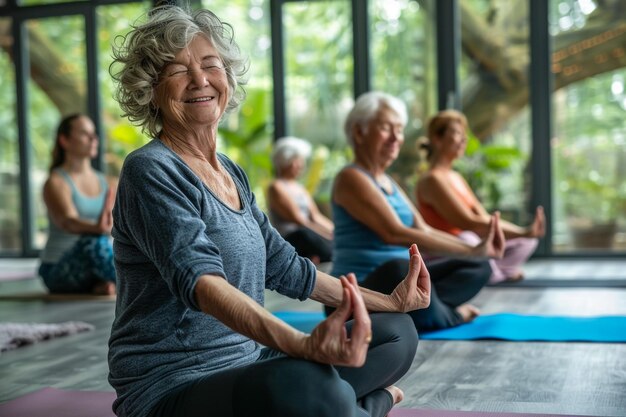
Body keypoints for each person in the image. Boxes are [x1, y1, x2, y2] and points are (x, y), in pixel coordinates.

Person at [107, 6, 430, 417]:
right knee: (307, 383)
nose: (201, 80)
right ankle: (370, 404)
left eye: (211, 65)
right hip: (174, 383)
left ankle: (344, 405)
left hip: (250, 365)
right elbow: (202, 283)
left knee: (395, 333)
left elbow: (289, 269)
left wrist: (391, 302)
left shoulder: (231, 172)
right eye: (178, 70)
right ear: (150, 89)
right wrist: (300, 345)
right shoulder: (150, 169)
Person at [329, 91, 506, 332]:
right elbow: (395, 233)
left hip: (401, 285)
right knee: (399, 269)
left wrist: (475, 253)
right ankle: (447, 316)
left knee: (478, 266)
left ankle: (422, 309)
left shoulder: (388, 181)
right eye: (386, 128)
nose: (396, 138)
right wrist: (472, 249)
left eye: (399, 129)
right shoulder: (351, 177)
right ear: (359, 133)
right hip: (358, 292)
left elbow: (423, 229)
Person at [415, 109, 545, 284]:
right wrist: (522, 230)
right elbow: (467, 222)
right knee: (470, 238)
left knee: (526, 242)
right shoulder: (432, 179)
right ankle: (497, 272)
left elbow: (482, 217)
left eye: (464, 134)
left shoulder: (456, 177)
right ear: (437, 139)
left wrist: (523, 234)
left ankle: (493, 272)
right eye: (457, 133)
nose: (464, 139)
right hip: (448, 248)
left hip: (472, 244)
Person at [38, 114, 117, 295]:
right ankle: (142, 286)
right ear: (64, 141)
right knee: (93, 241)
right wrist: (98, 228)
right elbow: (67, 221)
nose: (93, 138)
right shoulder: (56, 182)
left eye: (94, 133)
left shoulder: (108, 182)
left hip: (98, 263)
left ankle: (101, 283)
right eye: (84, 133)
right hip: (57, 267)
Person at [268, 136, 334, 264]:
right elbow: (299, 221)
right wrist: (326, 237)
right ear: (286, 161)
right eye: (297, 160)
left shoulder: (300, 188)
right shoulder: (276, 187)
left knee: (314, 235)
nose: (301, 165)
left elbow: (315, 216)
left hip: (307, 233)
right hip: (291, 238)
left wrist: (336, 232)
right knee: (305, 234)